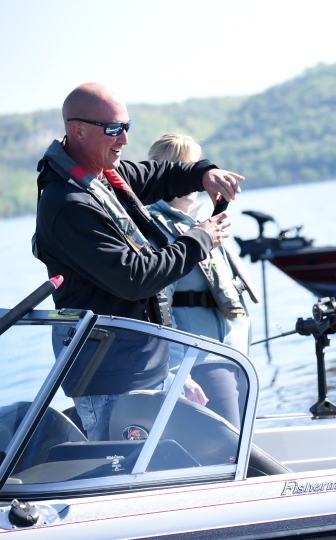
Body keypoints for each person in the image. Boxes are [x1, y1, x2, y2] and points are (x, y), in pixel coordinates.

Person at [33, 83, 245, 440]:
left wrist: (204, 173)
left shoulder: (104, 178)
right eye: (114, 129)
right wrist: (201, 238)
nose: (125, 139)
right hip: (109, 380)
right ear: (78, 130)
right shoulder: (69, 205)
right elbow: (135, 279)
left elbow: (159, 175)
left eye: (127, 127)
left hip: (142, 366)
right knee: (120, 476)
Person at [147, 134, 259, 428]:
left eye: (197, 168)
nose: (197, 179)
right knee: (227, 453)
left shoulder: (202, 224)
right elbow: (156, 308)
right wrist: (175, 374)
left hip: (236, 358)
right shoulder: (154, 229)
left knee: (242, 447)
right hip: (201, 364)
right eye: (185, 169)